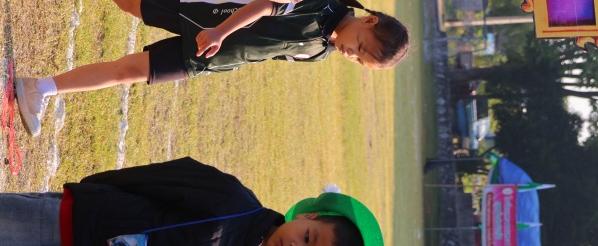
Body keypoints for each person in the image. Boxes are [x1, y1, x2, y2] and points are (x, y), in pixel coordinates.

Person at [15, 0, 409, 136]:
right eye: (361, 47)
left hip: (211, 57)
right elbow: (265, 4)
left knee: (128, 72)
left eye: (359, 61)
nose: (352, 54)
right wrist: (220, 31)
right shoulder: (321, 1)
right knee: (132, 3)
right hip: (211, 18)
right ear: (369, 21)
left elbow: (264, 52)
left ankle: (38, 88)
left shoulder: (320, 51)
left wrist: (223, 55)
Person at [0, 156, 384, 246]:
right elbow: (153, 178)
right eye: (308, 239)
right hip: (67, 225)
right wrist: (88, 195)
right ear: (309, 216)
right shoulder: (232, 200)